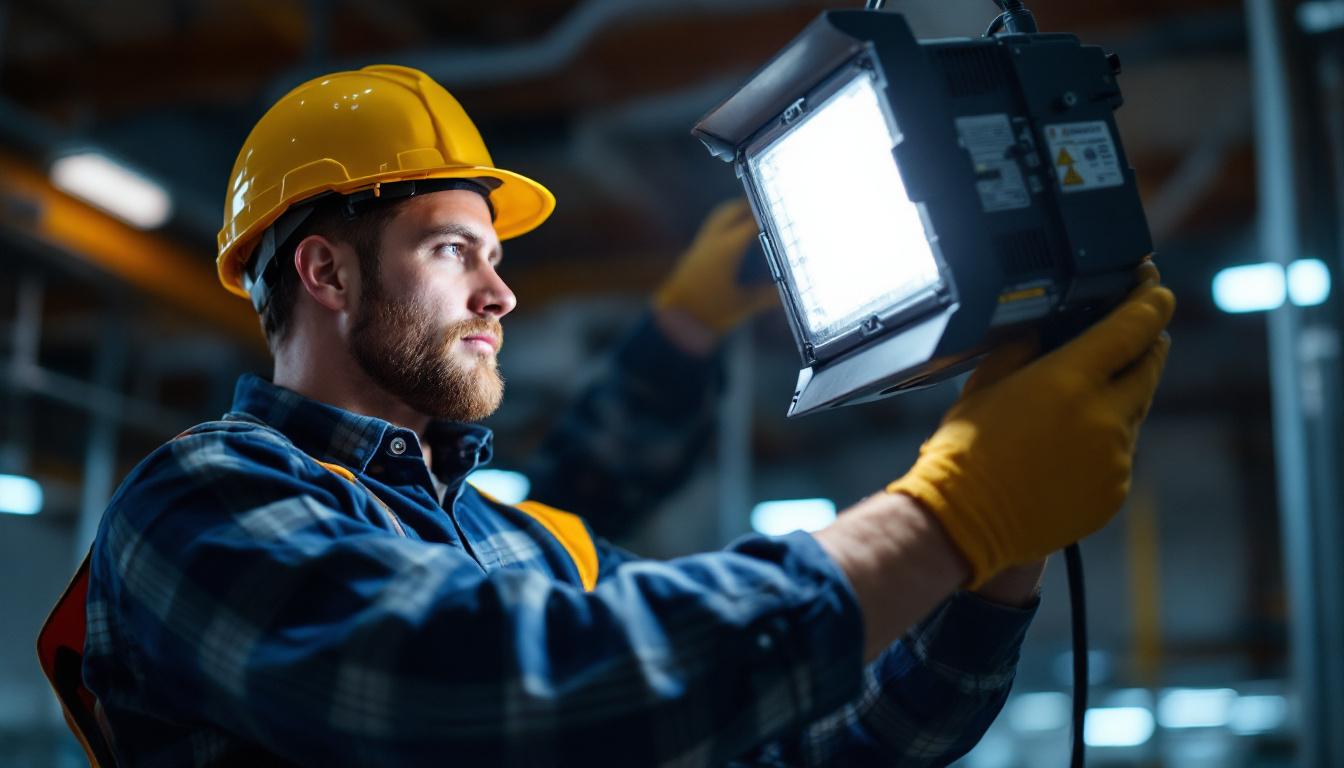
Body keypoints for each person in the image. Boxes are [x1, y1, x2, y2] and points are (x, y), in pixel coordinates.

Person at [70, 65, 1174, 766]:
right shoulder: (203, 501)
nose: (501, 295)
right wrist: (947, 513)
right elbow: (492, 694)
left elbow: (800, 741)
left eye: (498, 259)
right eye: (456, 250)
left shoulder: (527, 546)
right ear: (325, 271)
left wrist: (1001, 557)